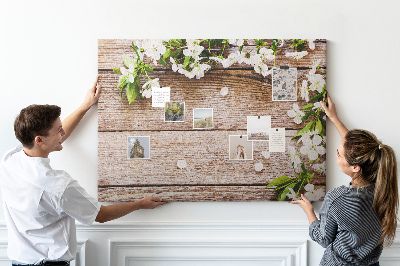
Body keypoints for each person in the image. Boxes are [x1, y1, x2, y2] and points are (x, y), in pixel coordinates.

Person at [0, 77, 167, 266]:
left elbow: (57, 137)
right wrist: (140, 204)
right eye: (58, 130)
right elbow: (101, 215)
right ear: (39, 140)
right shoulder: (58, 186)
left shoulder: (9, 160)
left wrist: (84, 106)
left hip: (18, 261)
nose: (62, 134)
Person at [290, 94, 398, 266]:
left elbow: (324, 238)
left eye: (339, 154)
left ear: (356, 167)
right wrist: (334, 118)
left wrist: (309, 212)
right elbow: (356, 152)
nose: (335, 155)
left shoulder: (337, 198)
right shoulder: (383, 186)